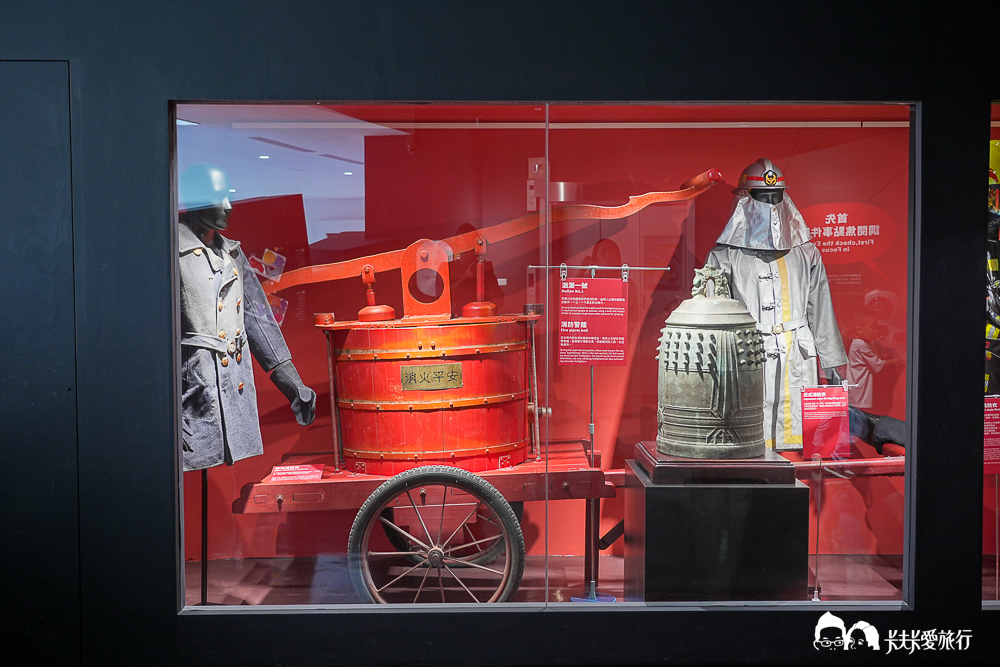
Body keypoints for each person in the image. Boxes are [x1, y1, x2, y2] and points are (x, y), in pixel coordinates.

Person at [706, 158, 905, 453]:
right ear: (745, 201)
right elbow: (713, 316)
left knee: (797, 437)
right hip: (746, 353)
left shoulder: (806, 252)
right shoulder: (724, 255)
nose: (770, 205)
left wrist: (833, 364)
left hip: (796, 353)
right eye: (762, 197)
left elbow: (820, 310)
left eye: (776, 197)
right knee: (749, 437)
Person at [178, 163, 316, 471]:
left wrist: (294, 385)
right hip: (195, 391)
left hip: (232, 380)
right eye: (218, 197)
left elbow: (260, 323)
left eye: (229, 196)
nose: (229, 206)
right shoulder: (169, 251)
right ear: (194, 199)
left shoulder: (233, 254)